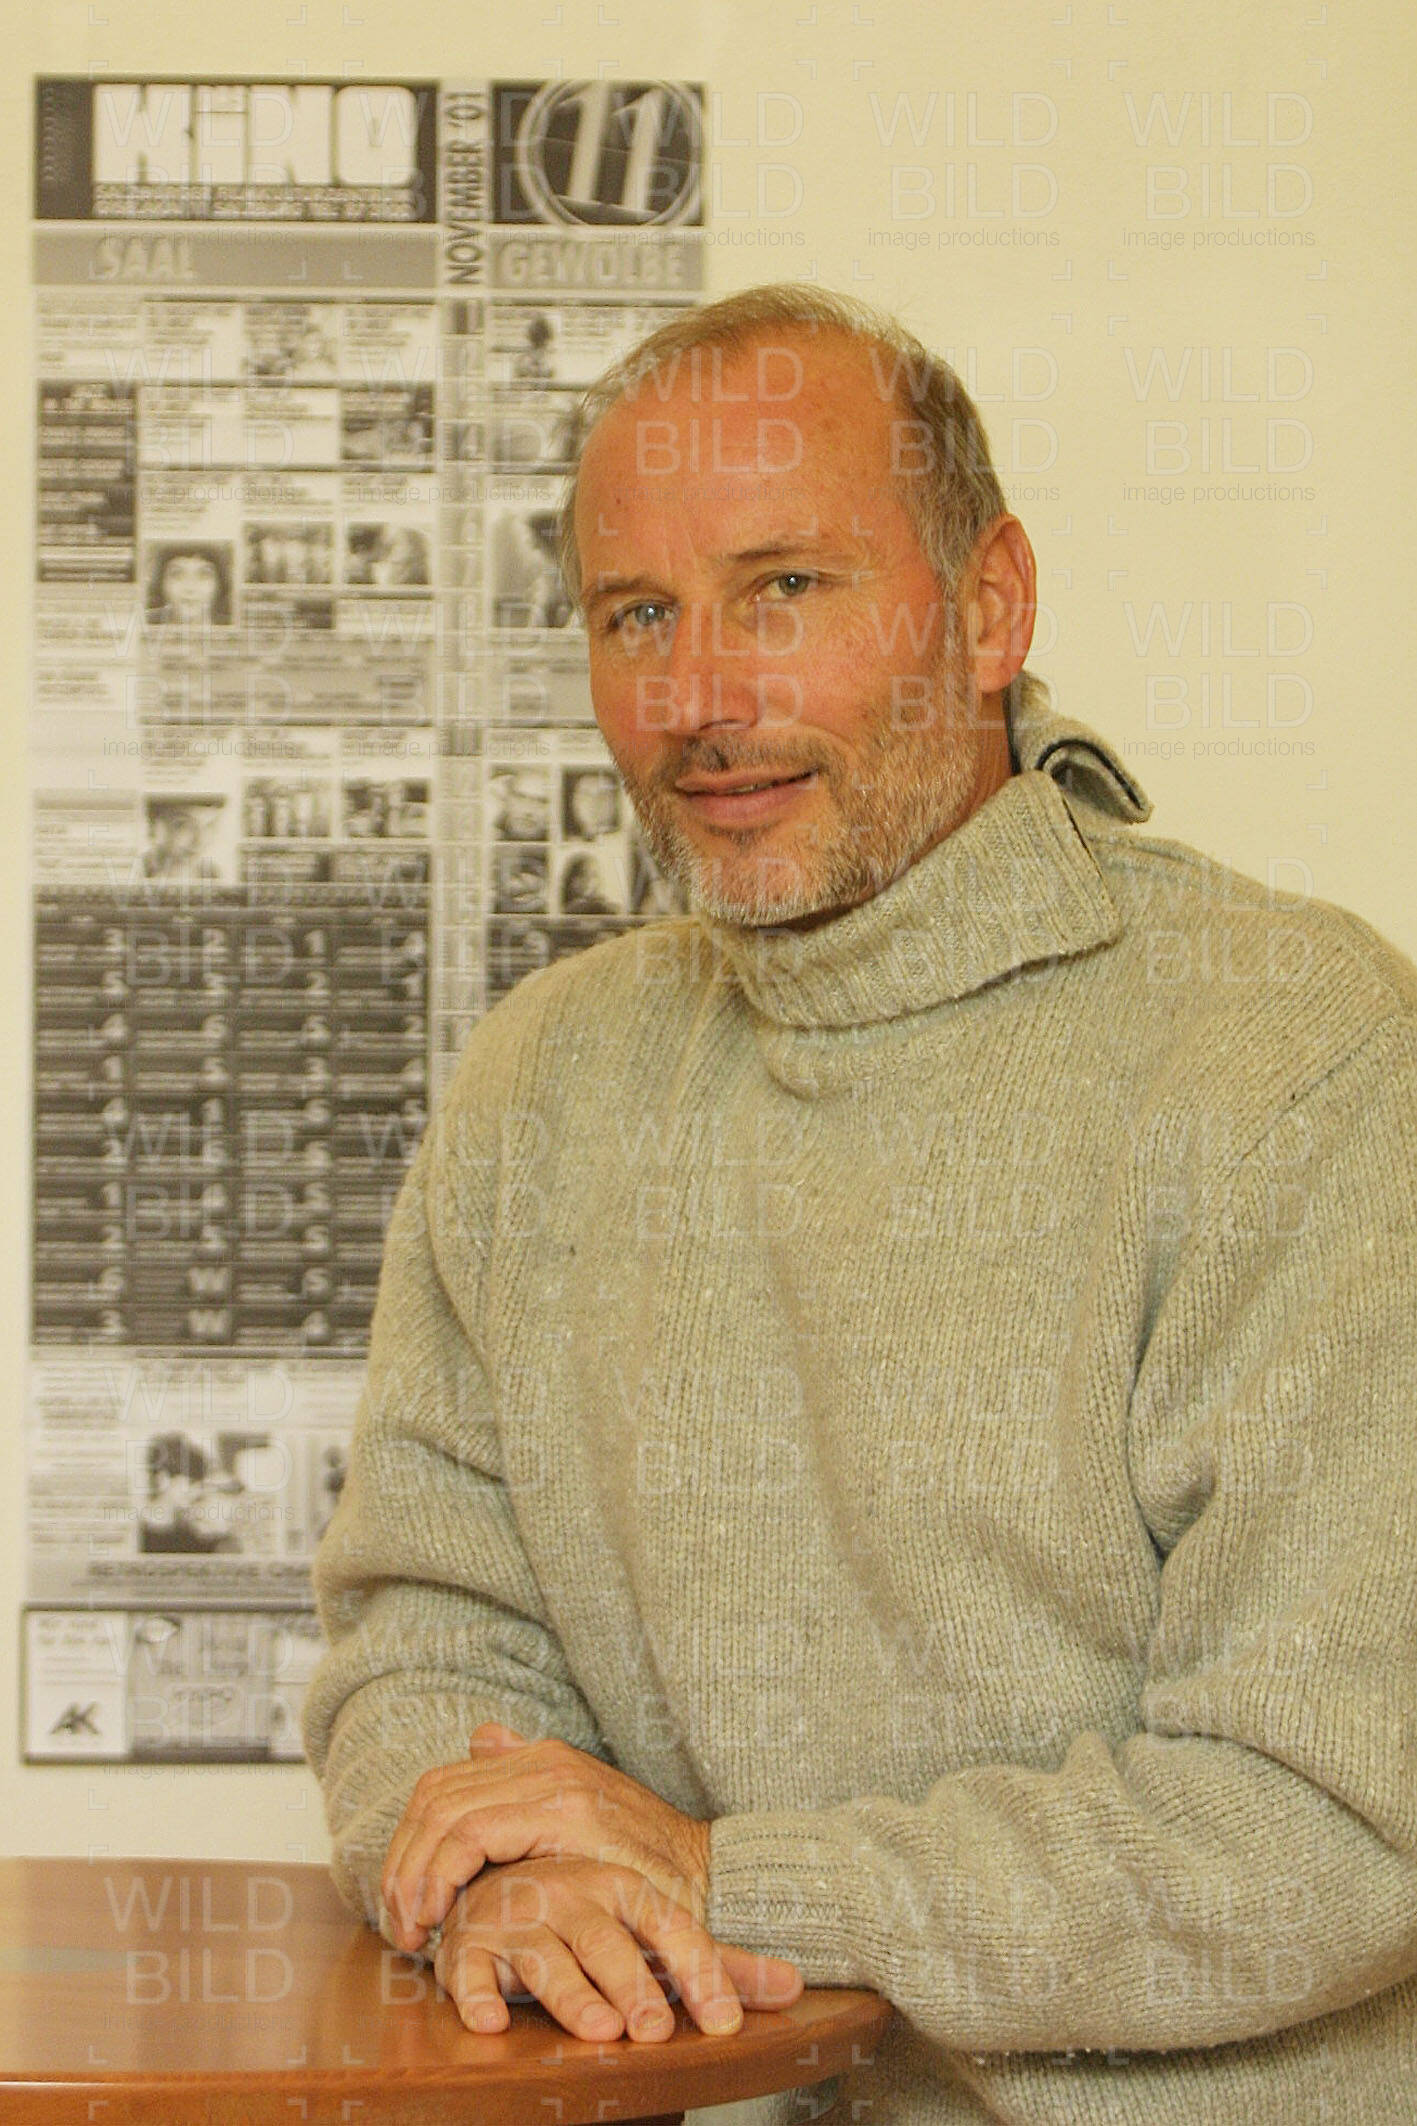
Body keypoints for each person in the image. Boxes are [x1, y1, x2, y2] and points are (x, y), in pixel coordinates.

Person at [304, 286, 1417, 2122]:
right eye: (636, 615)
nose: (699, 699)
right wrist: (501, 1866)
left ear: (989, 609)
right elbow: (431, 1639)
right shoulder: (544, 1076)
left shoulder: (1299, 1057)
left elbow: (1338, 1815)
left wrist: (727, 1879)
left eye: (784, 589)